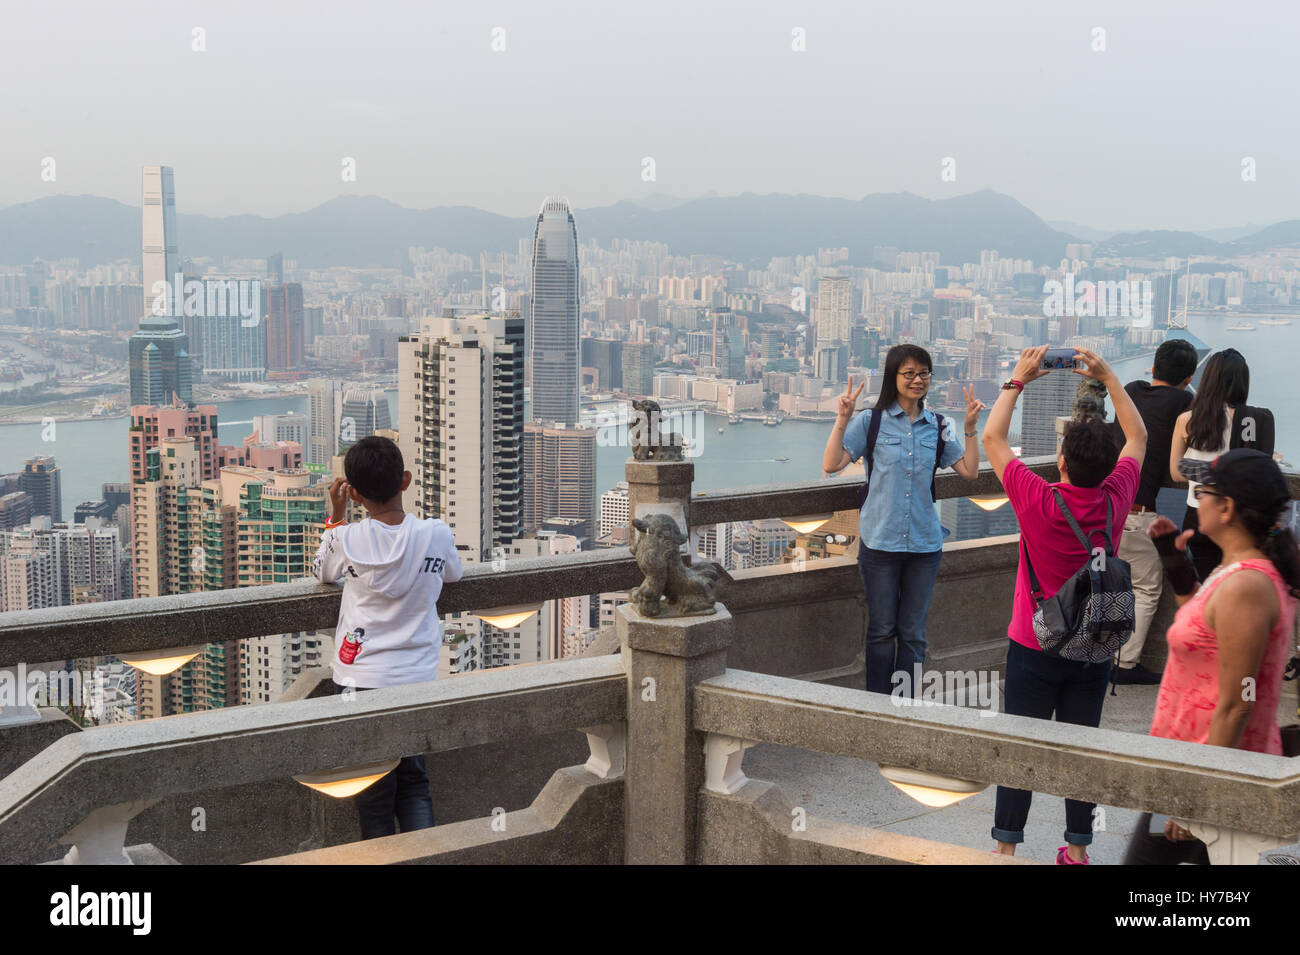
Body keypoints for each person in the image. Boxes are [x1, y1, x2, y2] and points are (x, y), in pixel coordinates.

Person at [982, 345, 1147, 864]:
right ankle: (1077, 851)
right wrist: (1109, 377)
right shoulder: (1116, 496)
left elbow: (991, 439)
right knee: (1083, 750)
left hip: (1034, 641)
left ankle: (1006, 848)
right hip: (1095, 644)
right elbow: (1138, 437)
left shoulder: (1038, 498)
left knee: (1021, 749)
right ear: (1107, 466)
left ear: (1061, 461)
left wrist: (1017, 380)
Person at [1126, 449, 1299, 863]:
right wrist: (1175, 562)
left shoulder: (1248, 587)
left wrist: (1199, 803)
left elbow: (1241, 698)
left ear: (1227, 508)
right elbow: (1206, 632)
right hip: (1189, 765)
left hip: (1211, 777)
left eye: (1203, 491)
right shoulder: (1236, 572)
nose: (1196, 498)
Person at [312, 435, 463, 839]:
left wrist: (336, 515)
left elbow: (322, 572)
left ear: (355, 492)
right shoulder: (435, 533)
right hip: (415, 677)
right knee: (414, 781)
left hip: (361, 680)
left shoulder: (346, 538)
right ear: (406, 481)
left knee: (374, 791)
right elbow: (455, 574)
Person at [822, 344, 986, 696]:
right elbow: (831, 464)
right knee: (881, 631)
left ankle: (905, 707)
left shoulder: (939, 426)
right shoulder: (871, 421)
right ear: (893, 377)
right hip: (880, 542)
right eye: (909, 373)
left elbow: (970, 472)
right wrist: (842, 418)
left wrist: (970, 428)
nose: (917, 380)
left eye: (924, 373)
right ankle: (879, 708)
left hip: (924, 545)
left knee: (913, 634)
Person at [1107, 338, 1197, 685]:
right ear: (1188, 378)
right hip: (1138, 511)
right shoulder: (1185, 401)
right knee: (1146, 589)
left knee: (1110, 583)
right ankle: (1125, 664)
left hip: (1110, 506)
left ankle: (1101, 656)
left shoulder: (1130, 389)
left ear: (1155, 366)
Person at [1170, 348, 1275, 580]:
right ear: (1242, 381)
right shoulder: (1260, 419)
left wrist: (1203, 470)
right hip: (1241, 518)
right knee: (1240, 580)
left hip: (1199, 515)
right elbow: (1264, 471)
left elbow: (1176, 473)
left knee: (1209, 582)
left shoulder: (1188, 420)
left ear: (1208, 379)